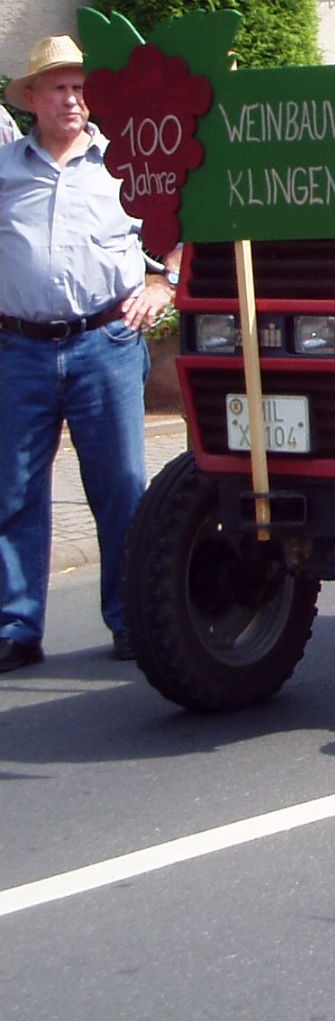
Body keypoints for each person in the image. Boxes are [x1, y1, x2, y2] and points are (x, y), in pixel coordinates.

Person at [0, 36, 178, 672]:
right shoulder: (5, 170)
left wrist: (164, 283)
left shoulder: (124, 163)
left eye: (80, 87)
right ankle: (16, 627)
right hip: (17, 348)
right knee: (13, 491)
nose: (72, 98)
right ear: (30, 100)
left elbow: (179, 231)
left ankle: (132, 618)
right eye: (58, 87)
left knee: (122, 488)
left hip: (105, 343)